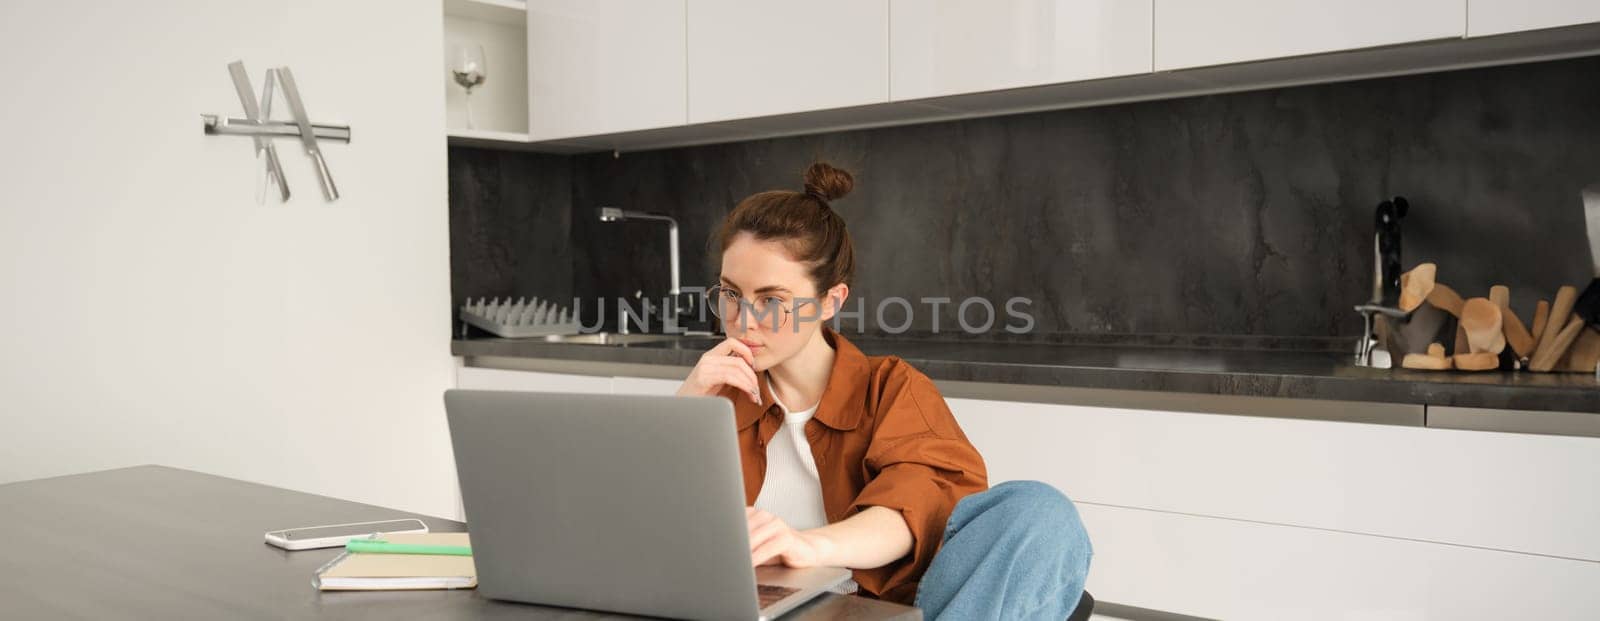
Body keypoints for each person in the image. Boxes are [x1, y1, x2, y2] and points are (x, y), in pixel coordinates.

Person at [676, 162, 1092, 619]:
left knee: (1040, 513)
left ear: (830, 301)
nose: (742, 320)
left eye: (771, 301)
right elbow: (648, 541)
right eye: (731, 294)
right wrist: (682, 414)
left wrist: (805, 546)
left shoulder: (890, 388)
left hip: (871, 611)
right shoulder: (714, 396)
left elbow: (915, 510)